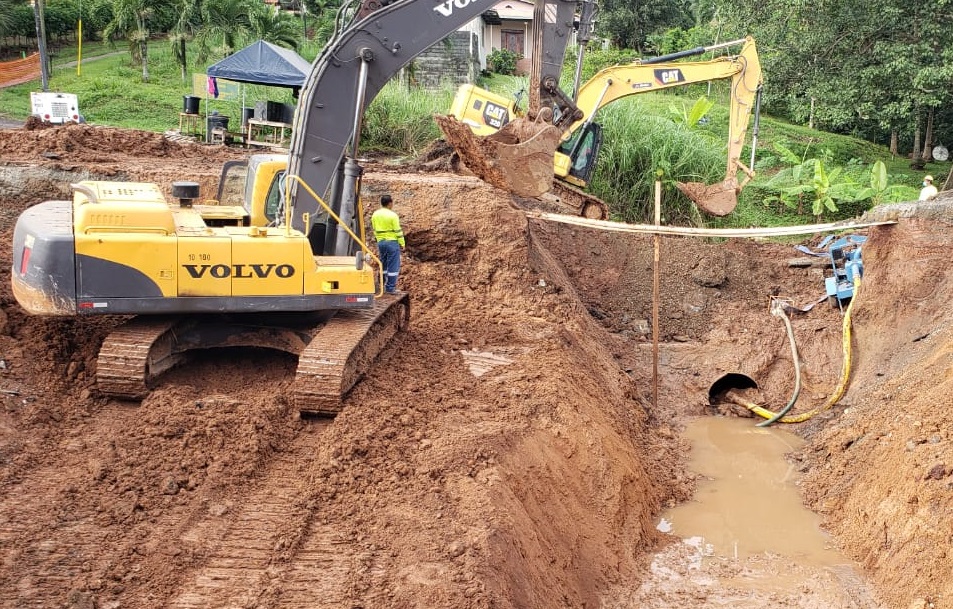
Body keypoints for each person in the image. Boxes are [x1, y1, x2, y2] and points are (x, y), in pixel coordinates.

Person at [371, 194, 405, 294]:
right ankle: (390, 288)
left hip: (381, 242)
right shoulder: (393, 215)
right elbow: (398, 231)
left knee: (383, 263)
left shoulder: (375, 214)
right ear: (390, 203)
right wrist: (402, 243)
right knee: (393, 266)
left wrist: (379, 240)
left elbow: (374, 229)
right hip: (392, 242)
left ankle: (381, 285)